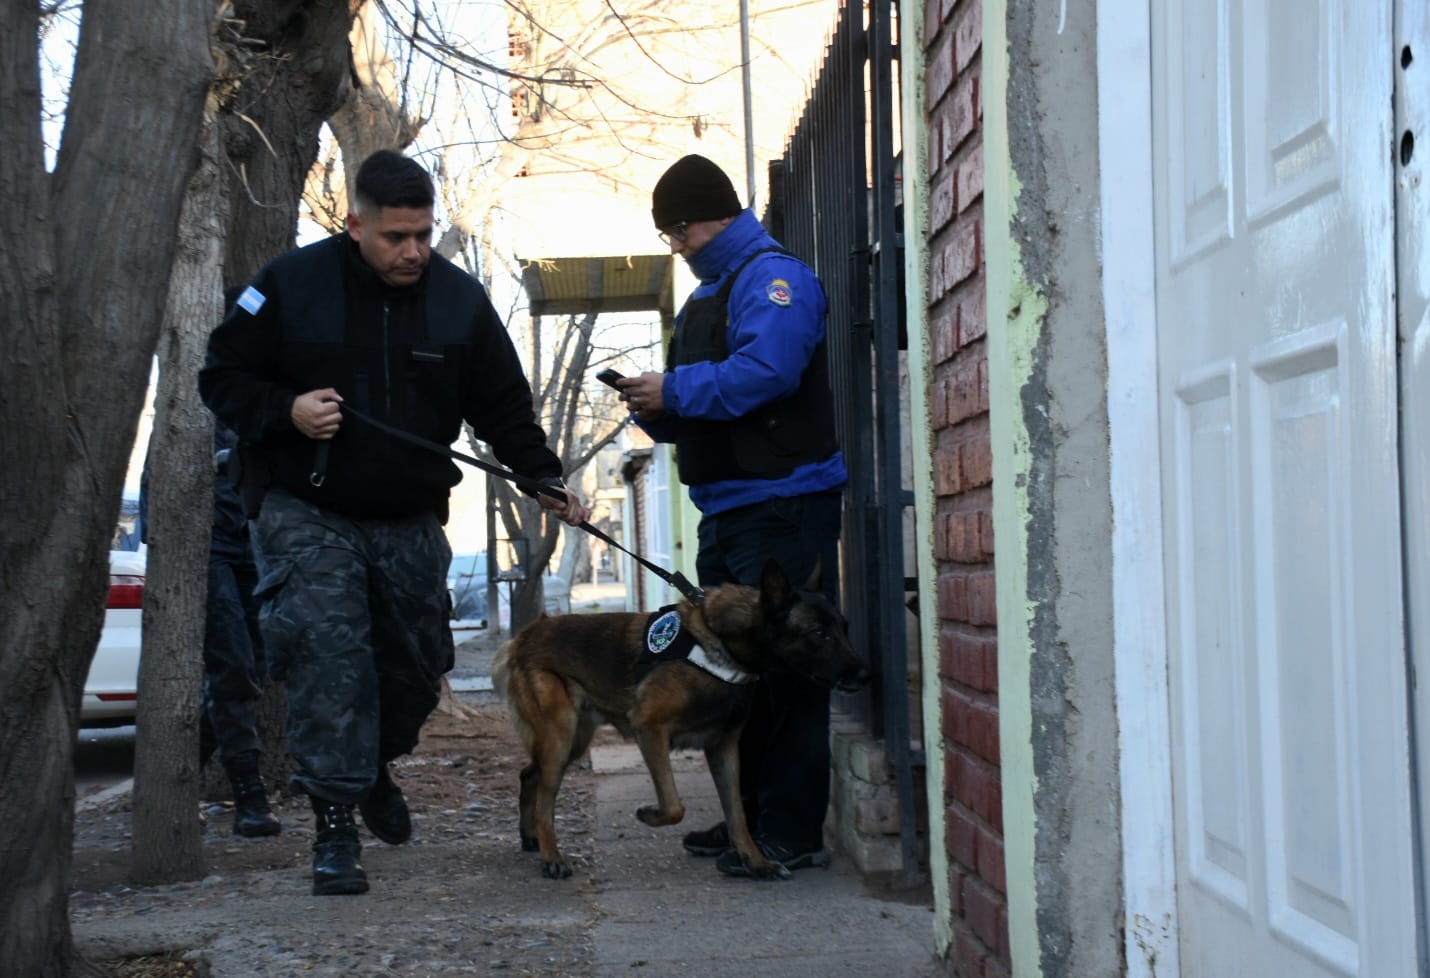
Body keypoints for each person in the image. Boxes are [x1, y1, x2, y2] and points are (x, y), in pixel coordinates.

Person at [198, 149, 588, 896]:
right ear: (355, 225)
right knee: (327, 657)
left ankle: (373, 764)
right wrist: (286, 410)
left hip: (408, 513)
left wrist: (542, 478)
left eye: (424, 234)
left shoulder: (459, 301)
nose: (413, 251)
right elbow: (221, 377)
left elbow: (504, 408)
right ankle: (334, 830)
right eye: (395, 237)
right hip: (305, 508)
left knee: (415, 670)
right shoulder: (288, 286)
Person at [617, 154, 848, 877]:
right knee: (735, 679)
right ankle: (747, 822)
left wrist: (676, 392)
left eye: (679, 232)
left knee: (790, 674)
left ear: (714, 217)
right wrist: (656, 408)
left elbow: (766, 373)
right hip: (730, 508)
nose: (678, 248)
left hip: (781, 507)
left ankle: (791, 831)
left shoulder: (774, 281)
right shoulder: (713, 292)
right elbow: (713, 399)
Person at [138, 418, 282, 840]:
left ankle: (184, 781)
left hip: (254, 540)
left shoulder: (257, 404)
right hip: (206, 544)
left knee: (251, 669)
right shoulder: (188, 413)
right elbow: (155, 495)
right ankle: (250, 796)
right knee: (232, 667)